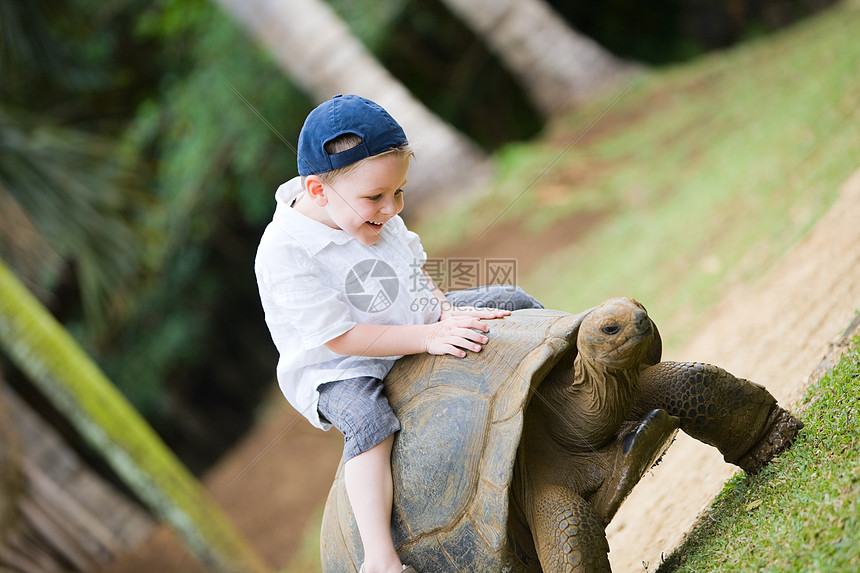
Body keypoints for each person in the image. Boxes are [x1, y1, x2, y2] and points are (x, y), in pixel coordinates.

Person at [254, 94, 542, 573]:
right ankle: (380, 557)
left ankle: (582, 380)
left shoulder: (374, 207)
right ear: (318, 191)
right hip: (339, 366)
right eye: (376, 198)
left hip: (408, 322)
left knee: (508, 301)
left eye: (399, 193)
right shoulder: (284, 252)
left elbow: (412, 273)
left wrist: (446, 316)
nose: (391, 208)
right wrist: (429, 339)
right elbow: (340, 338)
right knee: (369, 423)